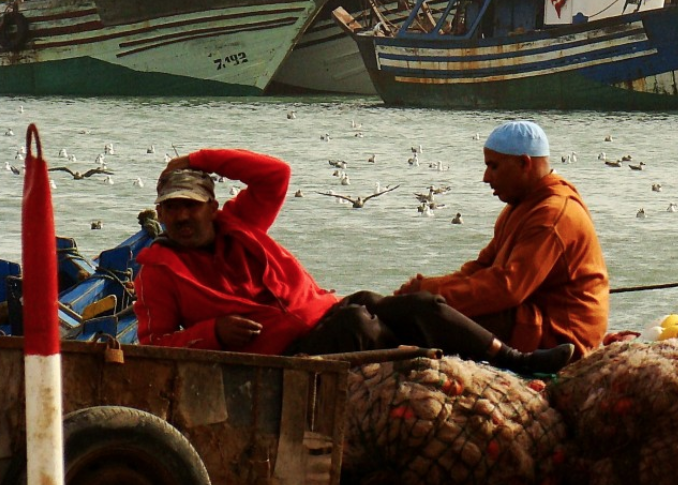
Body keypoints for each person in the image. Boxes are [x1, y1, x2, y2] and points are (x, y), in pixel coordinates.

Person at [133, 148, 574, 374]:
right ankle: (422, 362)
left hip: (328, 311)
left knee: (422, 303)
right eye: (171, 208)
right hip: (285, 354)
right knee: (361, 326)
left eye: (191, 205)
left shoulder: (241, 223)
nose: (182, 216)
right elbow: (150, 347)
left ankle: (517, 360)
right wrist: (214, 333)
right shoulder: (158, 268)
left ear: (212, 207)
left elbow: (276, 173)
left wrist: (198, 159)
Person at [397, 121, 608, 357]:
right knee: (421, 310)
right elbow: (480, 269)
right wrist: (424, 290)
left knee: (433, 318)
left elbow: (508, 289)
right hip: (528, 314)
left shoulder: (552, 214)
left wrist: (429, 296)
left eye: (493, 167)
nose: (486, 178)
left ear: (524, 163)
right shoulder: (520, 205)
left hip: (562, 335)